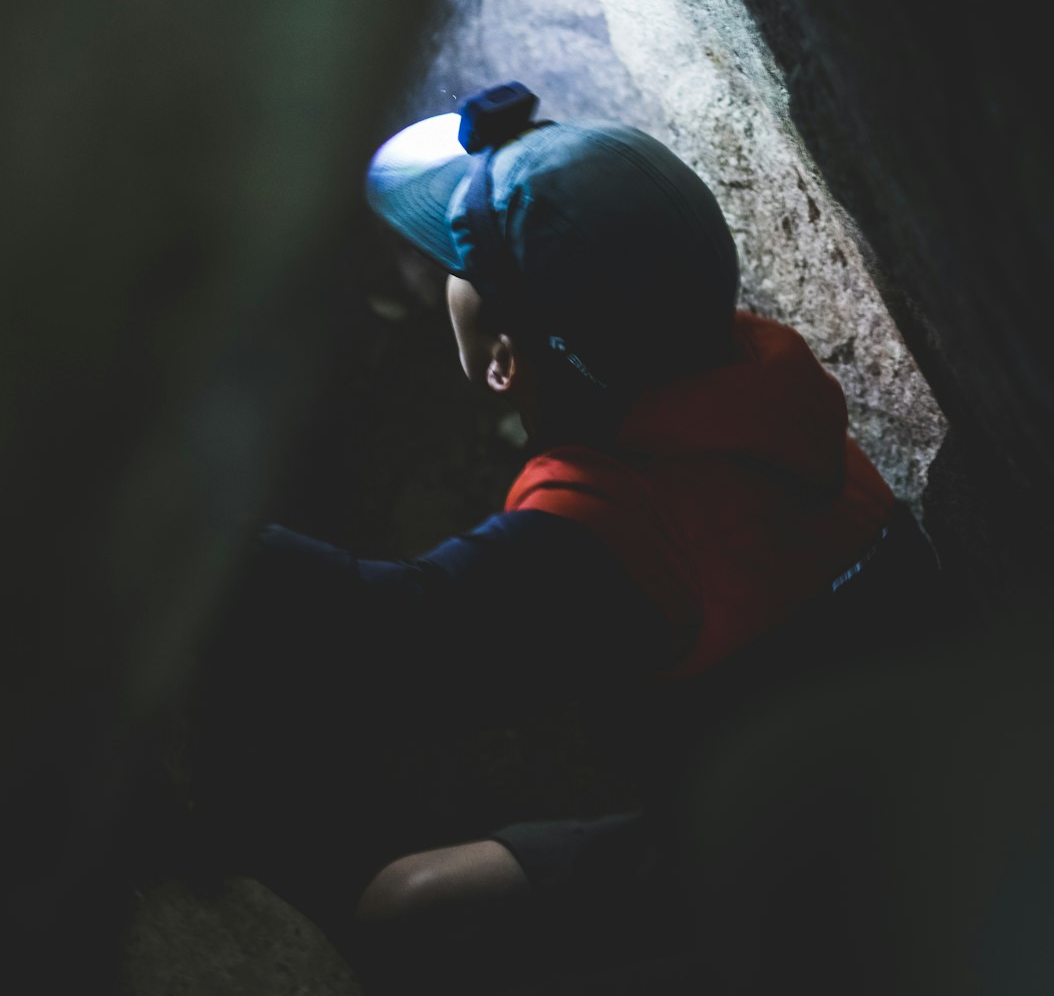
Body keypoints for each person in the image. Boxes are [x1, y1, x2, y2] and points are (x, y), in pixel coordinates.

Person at [195, 82, 943, 992]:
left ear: (507, 356)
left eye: (452, 266)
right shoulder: (750, 380)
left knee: (407, 909)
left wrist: (165, 513)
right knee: (421, 895)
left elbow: (381, 644)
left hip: (808, 892)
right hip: (884, 792)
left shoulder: (610, 537)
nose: (436, 279)